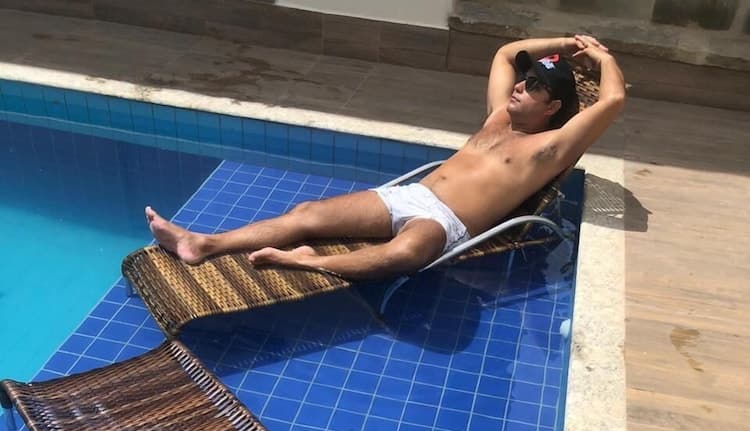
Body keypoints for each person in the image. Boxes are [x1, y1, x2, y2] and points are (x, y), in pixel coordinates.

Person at [146, 33, 625, 281]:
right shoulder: (498, 115)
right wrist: (567, 45)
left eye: (535, 85)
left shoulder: (548, 148)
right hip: (409, 196)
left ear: (553, 108)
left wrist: (602, 59)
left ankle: (305, 264)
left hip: (443, 224)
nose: (521, 86)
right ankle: (203, 244)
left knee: (406, 253)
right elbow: (505, 53)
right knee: (307, 213)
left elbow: (613, 100)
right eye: (526, 79)